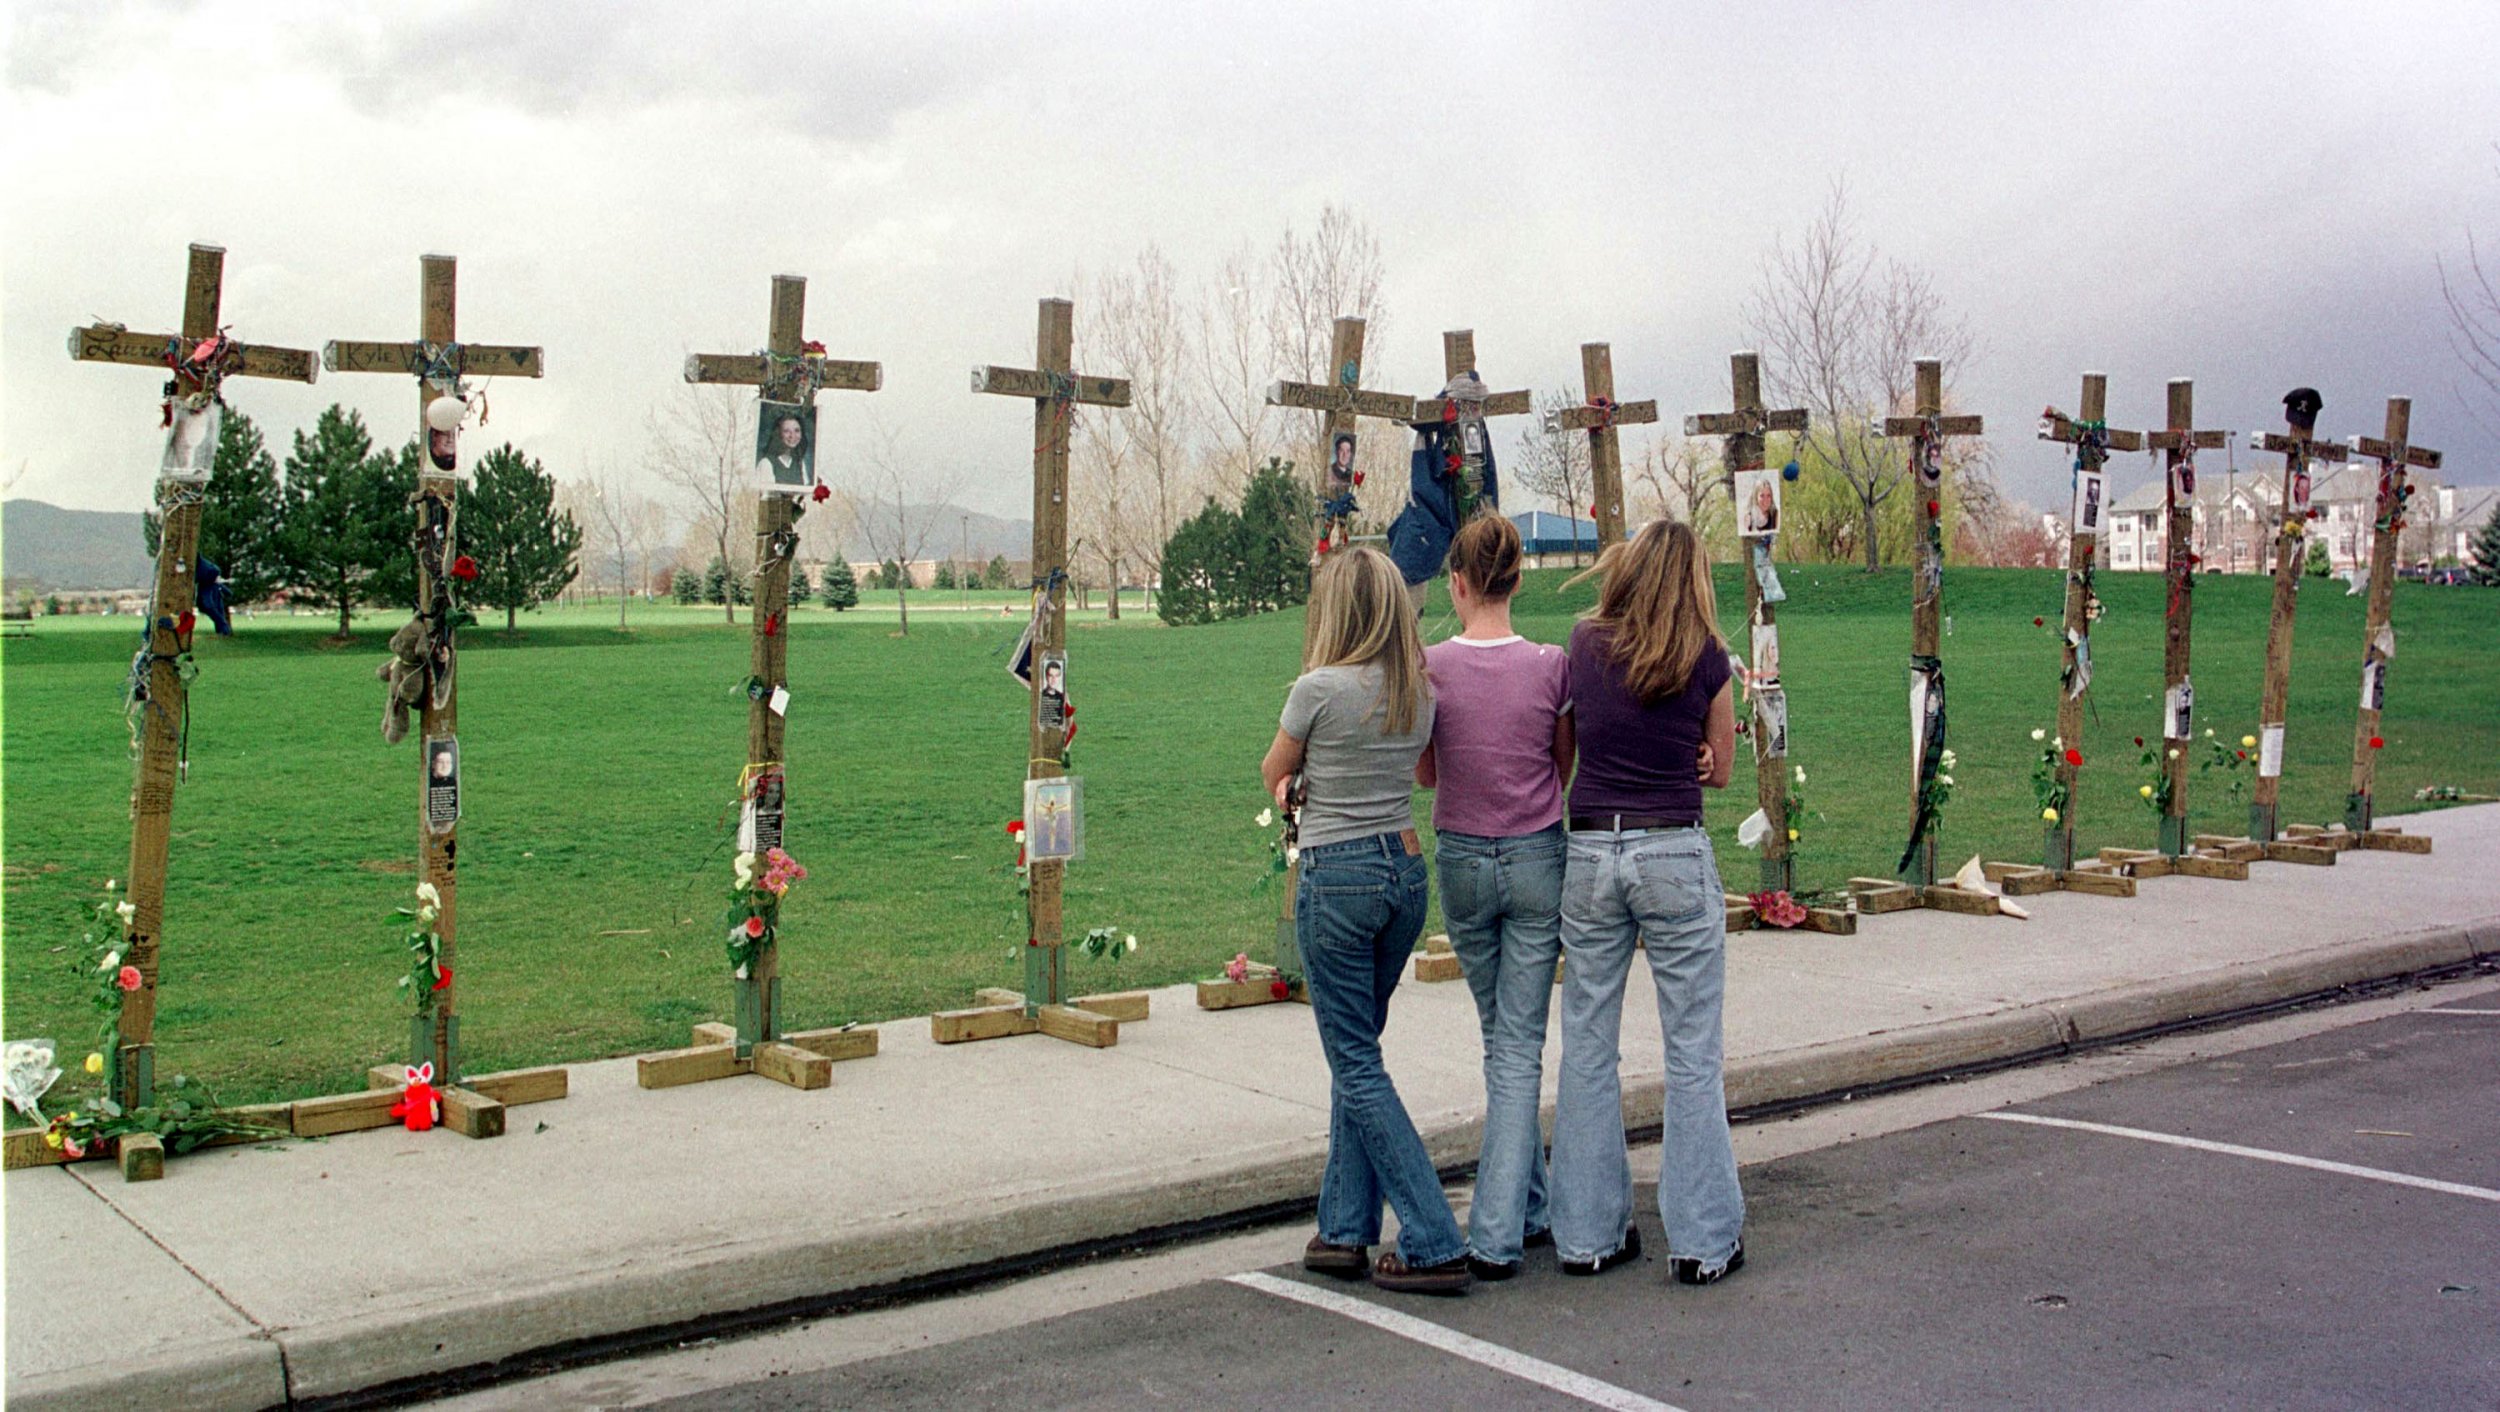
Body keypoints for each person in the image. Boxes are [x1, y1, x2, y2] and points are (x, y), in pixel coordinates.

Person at [1260, 545, 1465, 1295]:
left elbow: (1273, 768)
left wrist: (1298, 787)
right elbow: (1416, 772)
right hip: (1404, 871)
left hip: (1337, 874)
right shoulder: (1420, 691)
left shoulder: (1315, 689)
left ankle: (1434, 1234)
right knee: (1361, 1050)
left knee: (1354, 1061)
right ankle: (1345, 1227)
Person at [1551, 517, 1745, 1287]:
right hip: (1673, 845)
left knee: (1589, 1044)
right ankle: (1700, 1237)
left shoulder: (1583, 643)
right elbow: (1721, 767)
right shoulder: (1706, 656)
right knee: (1692, 1048)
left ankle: (1587, 1233)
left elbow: (1575, 744)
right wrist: (1691, 746)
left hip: (1594, 845)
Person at [1412, 514, 1571, 1280]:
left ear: (1461, 583)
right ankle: (1515, 1217)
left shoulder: (1432, 664)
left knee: (1501, 1039)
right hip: (1538, 854)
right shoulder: (1551, 666)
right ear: (1515, 579)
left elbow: (1425, 774)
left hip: (1465, 858)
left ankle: (1506, 1221)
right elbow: (1561, 764)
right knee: (1516, 1044)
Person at [758, 412, 811, 489]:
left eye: (797, 430)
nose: (792, 436)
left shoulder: (800, 463)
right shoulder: (766, 463)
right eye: (786, 431)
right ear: (778, 434)